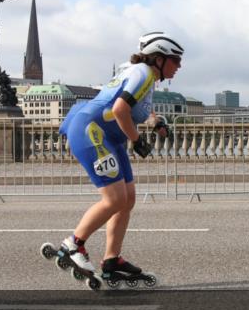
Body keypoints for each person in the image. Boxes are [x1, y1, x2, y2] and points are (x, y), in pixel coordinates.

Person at [54, 31, 183, 287]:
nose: (179, 66)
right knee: (114, 199)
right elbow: (119, 109)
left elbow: (135, 106)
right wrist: (136, 140)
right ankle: (73, 245)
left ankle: (112, 260)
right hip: (93, 132)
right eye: (175, 60)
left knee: (128, 199)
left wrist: (154, 121)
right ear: (158, 58)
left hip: (109, 137)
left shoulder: (141, 74)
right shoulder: (144, 73)